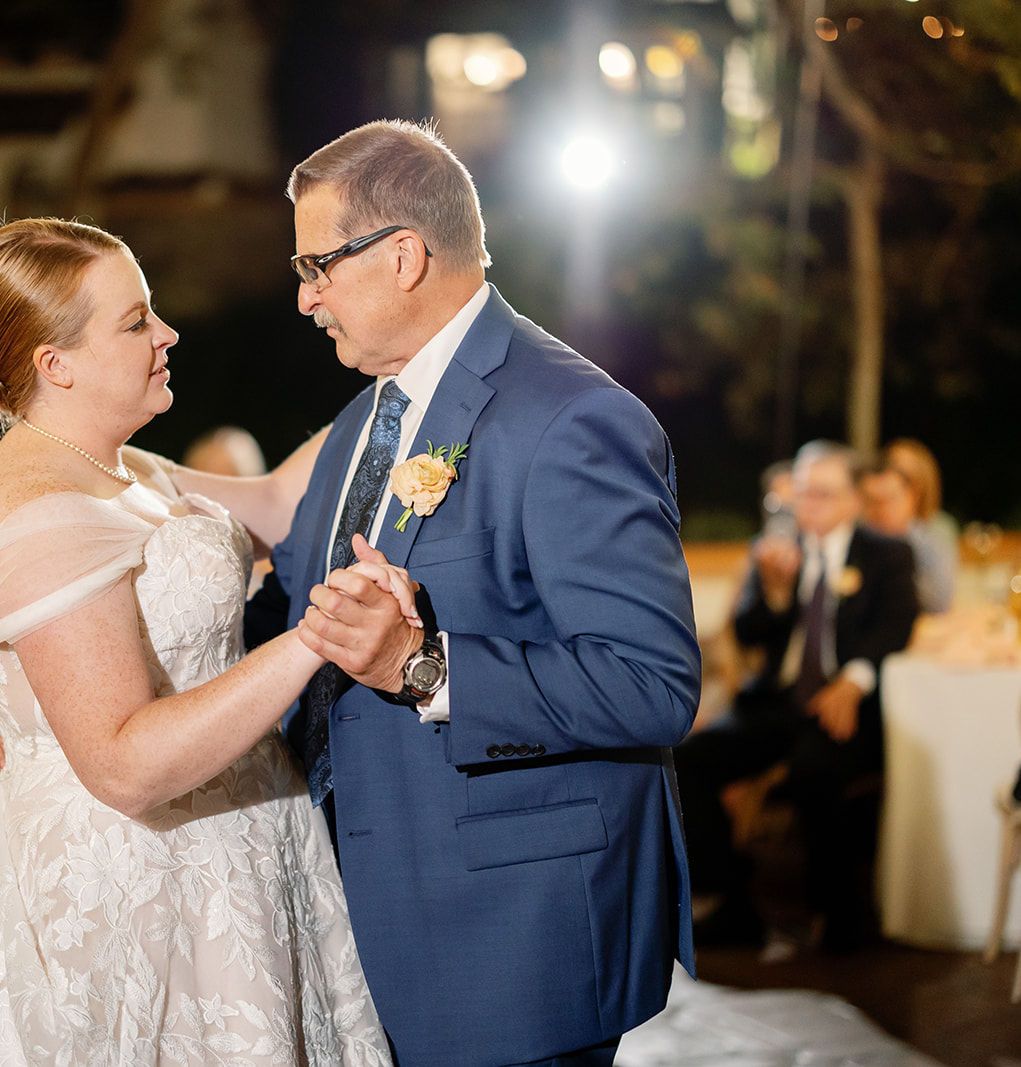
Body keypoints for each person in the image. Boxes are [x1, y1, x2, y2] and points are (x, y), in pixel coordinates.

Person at [0, 218, 398, 1066]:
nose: (167, 334)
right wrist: (316, 640)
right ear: (55, 363)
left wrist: (412, 370)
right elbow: (123, 767)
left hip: (235, 843)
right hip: (137, 885)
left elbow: (282, 504)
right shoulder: (43, 510)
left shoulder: (121, 466)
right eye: (136, 320)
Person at [222, 119, 702, 1067]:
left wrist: (420, 664)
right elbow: (303, 611)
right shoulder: (367, 414)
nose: (308, 298)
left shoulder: (573, 417)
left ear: (402, 255)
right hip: (361, 905)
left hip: (509, 935)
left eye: (317, 266)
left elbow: (653, 684)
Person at [675, 440, 919, 954]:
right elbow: (745, 629)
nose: (808, 506)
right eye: (802, 494)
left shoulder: (886, 554)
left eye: (823, 495)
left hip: (845, 704)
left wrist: (855, 680)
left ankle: (837, 917)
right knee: (683, 761)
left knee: (816, 769)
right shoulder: (775, 551)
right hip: (778, 704)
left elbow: (894, 629)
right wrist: (778, 592)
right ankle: (730, 899)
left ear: (854, 499)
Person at [860, 461, 954, 613]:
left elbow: (939, 604)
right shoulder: (860, 541)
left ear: (912, 498)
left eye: (891, 499)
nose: (882, 509)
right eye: (875, 501)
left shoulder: (928, 540)